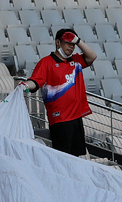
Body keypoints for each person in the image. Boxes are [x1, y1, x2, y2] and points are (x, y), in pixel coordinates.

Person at [21, 28, 97, 157]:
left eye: (74, 44)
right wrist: (24, 86)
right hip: (60, 119)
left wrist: (78, 40)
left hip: (76, 118)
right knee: (63, 158)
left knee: (77, 158)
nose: (72, 47)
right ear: (58, 42)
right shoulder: (46, 62)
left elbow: (92, 56)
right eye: (68, 43)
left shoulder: (76, 61)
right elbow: (35, 81)